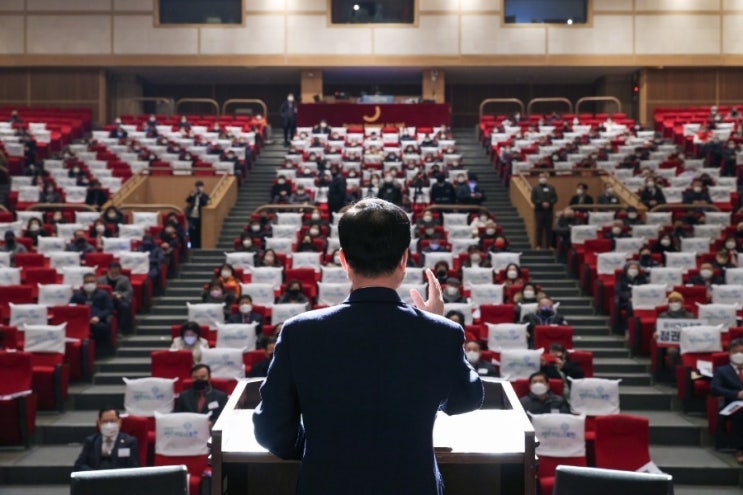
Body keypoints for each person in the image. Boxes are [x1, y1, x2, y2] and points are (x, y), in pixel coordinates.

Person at [253, 198, 484, 495]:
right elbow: (465, 400)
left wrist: (316, 449)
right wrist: (433, 326)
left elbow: (271, 430)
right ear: (403, 259)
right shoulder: (441, 333)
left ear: (343, 260)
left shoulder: (299, 332)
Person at [73, 407, 139, 471]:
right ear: (99, 423)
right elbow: (79, 465)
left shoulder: (129, 442)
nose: (109, 424)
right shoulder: (91, 441)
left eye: (112, 421)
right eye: (105, 421)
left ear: (119, 422)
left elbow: (133, 468)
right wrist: (95, 475)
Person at [711, 338, 743, 464]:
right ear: (729, 354)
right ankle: (740, 449)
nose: (739, 355)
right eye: (735, 352)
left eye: (742, 351)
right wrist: (736, 394)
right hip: (733, 404)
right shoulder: (722, 370)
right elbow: (715, 389)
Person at [70, 273, 114, 357]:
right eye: (87, 282)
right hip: (81, 322)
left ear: (96, 283)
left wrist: (98, 317)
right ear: (83, 283)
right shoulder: (77, 295)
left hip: (97, 321)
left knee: (102, 328)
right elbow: (71, 308)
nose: (89, 284)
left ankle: (100, 353)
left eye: (92, 281)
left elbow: (109, 309)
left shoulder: (103, 294)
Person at [97, 262, 133, 336]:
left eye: (117, 270)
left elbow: (129, 291)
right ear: (109, 270)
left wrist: (121, 295)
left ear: (119, 271)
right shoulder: (100, 279)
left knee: (125, 306)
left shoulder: (124, 279)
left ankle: (121, 329)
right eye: (113, 270)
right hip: (104, 300)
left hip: (117, 300)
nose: (114, 272)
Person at [530, 172, 558, 249]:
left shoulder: (551, 188)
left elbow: (555, 198)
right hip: (539, 211)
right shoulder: (535, 188)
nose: (542, 178)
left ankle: (549, 245)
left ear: (546, 178)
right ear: (539, 178)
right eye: (541, 177)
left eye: (544, 177)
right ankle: (538, 245)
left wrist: (549, 203)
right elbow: (533, 199)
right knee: (539, 228)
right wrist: (541, 203)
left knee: (549, 228)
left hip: (549, 211)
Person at [186, 180, 209, 249]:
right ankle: (192, 246)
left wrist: (200, 195)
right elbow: (187, 200)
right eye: (197, 187)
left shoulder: (205, 195)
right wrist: (193, 194)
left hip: (200, 217)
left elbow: (204, 203)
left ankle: (198, 246)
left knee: (198, 232)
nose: (199, 188)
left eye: (200, 187)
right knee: (191, 232)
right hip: (192, 216)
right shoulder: (193, 194)